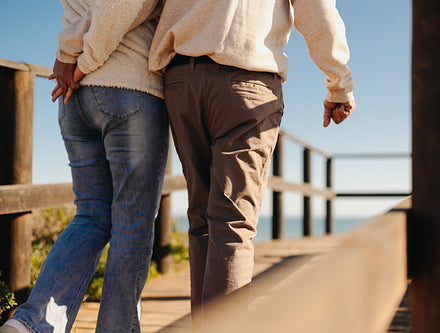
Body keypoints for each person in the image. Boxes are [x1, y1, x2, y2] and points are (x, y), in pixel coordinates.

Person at [148, 0, 356, 329]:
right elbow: (317, 13)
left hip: (179, 82)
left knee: (201, 218)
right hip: (246, 80)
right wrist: (339, 83)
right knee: (232, 222)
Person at [0, 0, 168, 332]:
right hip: (128, 87)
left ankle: (33, 324)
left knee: (92, 214)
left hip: (74, 96)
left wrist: (68, 54)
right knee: (132, 223)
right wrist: (82, 60)